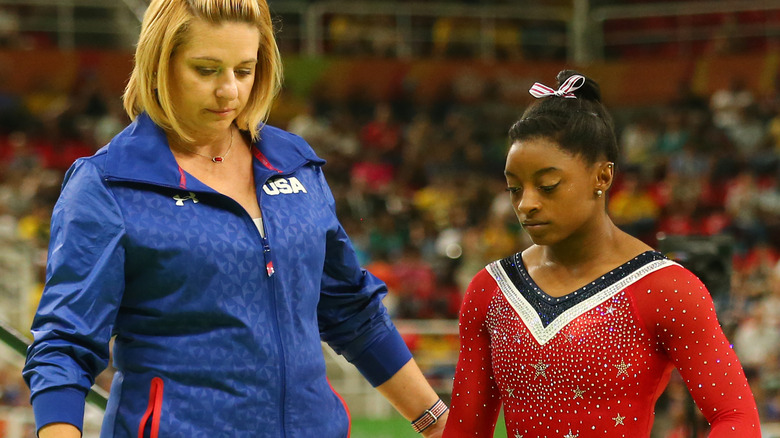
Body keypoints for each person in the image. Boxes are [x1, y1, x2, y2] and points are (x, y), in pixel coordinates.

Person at [22, 1, 448, 437]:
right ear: (158, 65)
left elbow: (351, 311)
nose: (229, 91)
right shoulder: (108, 184)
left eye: (244, 70)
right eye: (206, 70)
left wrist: (436, 423)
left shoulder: (295, 164)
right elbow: (65, 347)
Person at [442, 70, 761, 437]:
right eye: (514, 189)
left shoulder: (666, 288)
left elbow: (737, 418)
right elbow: (465, 431)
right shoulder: (490, 290)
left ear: (603, 177)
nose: (526, 204)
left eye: (548, 186)